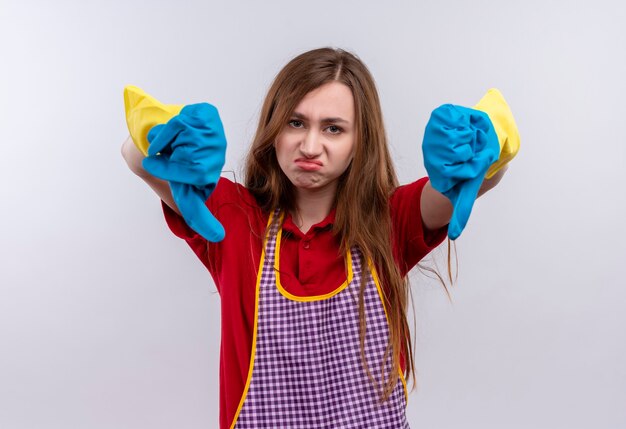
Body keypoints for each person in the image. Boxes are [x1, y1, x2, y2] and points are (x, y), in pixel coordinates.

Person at [121, 47, 507, 429]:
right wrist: (168, 139)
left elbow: (472, 180)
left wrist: (483, 148)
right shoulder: (234, 218)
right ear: (273, 128)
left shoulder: (390, 219)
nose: (309, 147)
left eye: (333, 128)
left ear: (360, 140)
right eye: (295, 122)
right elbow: (135, 157)